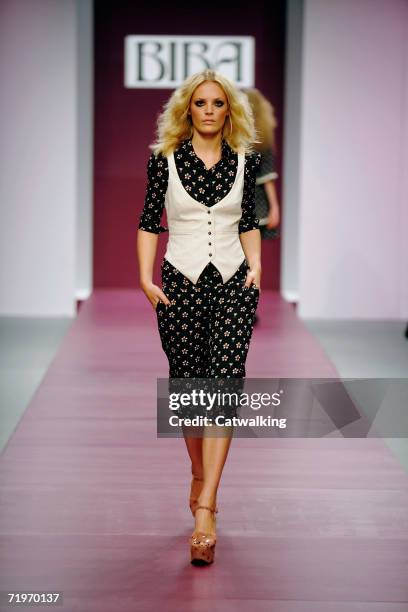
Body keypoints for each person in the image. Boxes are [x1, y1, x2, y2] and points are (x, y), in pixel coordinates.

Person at [136, 69, 261, 565]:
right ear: (188, 109)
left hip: (233, 281)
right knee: (189, 390)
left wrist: (256, 269)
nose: (209, 111)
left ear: (228, 110)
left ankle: (206, 506)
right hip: (180, 283)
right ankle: (196, 470)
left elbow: (247, 220)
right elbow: (150, 221)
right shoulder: (163, 161)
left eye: (217, 104)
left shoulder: (245, 161)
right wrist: (146, 278)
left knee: (225, 385)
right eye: (200, 103)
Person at [243, 88, 280, 324]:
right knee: (251, 261)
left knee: (247, 261)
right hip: (257, 206)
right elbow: (268, 178)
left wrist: (275, 207)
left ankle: (246, 307)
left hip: (247, 205)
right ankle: (246, 307)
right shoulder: (259, 138)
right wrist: (275, 207)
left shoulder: (249, 139)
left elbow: (267, 177)